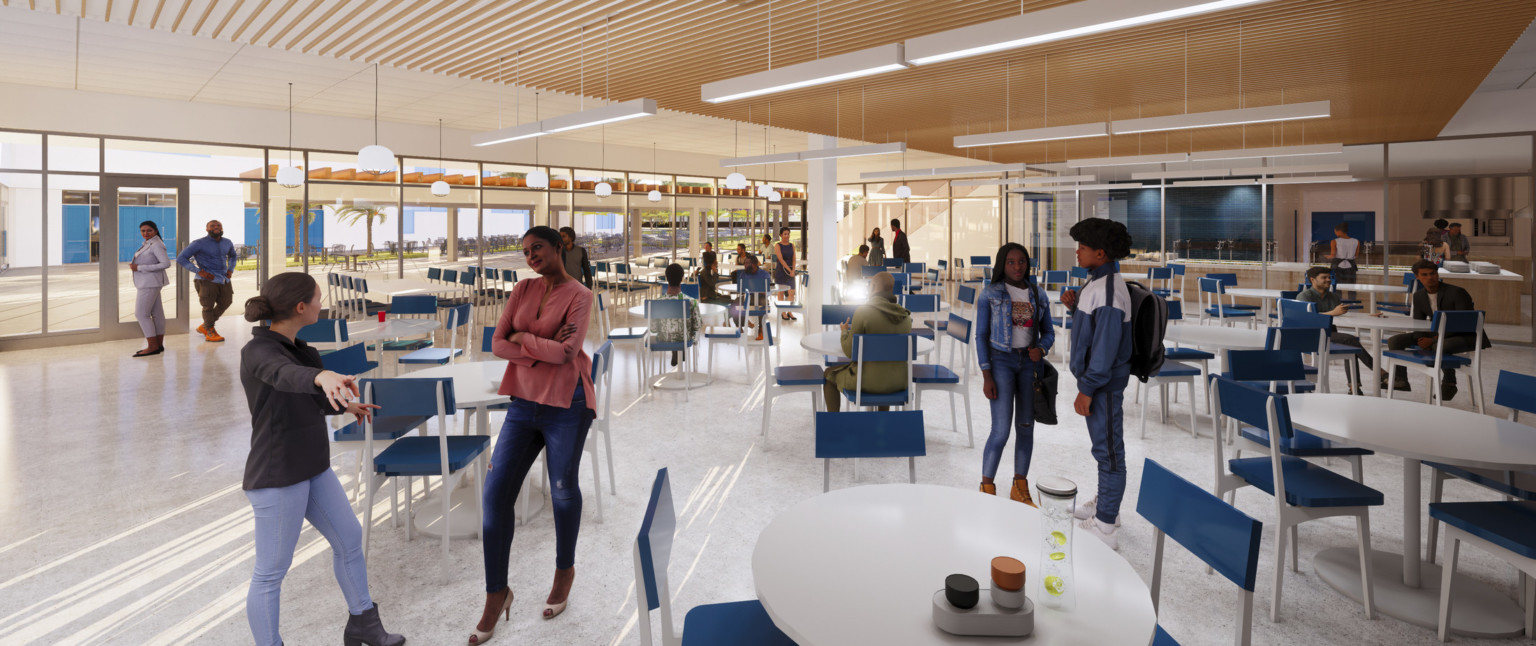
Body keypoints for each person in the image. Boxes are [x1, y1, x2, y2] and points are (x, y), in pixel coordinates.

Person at [238, 272, 403, 646]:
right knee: (271, 572)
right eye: (317, 297)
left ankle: (364, 624)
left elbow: (309, 396)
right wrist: (321, 375)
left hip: (312, 466)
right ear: (301, 307)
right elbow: (284, 376)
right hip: (278, 475)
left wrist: (346, 404)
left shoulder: (301, 349)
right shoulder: (260, 351)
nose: (321, 302)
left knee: (349, 539)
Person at [475, 226, 595, 642]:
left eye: (537, 247)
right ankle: (497, 592)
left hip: (567, 403)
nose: (530, 256)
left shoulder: (581, 295)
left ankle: (564, 570)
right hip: (524, 403)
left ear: (560, 247)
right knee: (494, 495)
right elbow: (496, 343)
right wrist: (535, 340)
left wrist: (521, 338)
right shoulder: (521, 289)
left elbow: (568, 354)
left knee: (562, 488)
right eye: (525, 251)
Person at [1057, 218, 1134, 551]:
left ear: (1100, 253)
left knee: (1109, 453)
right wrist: (1076, 306)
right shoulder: (1098, 283)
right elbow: (1096, 330)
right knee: (1104, 449)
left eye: (1083, 248)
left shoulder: (1106, 291)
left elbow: (1103, 350)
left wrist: (1087, 388)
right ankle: (1107, 506)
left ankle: (1105, 526)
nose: (1077, 252)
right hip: (1099, 383)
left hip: (1102, 385)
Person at [976, 243, 1055, 506]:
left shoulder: (1037, 294)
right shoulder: (990, 294)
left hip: (1029, 366)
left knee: (1025, 427)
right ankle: (987, 488)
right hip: (1001, 363)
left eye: (1021, 261)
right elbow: (981, 336)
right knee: (1000, 430)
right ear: (1002, 264)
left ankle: (1019, 488)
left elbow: (1049, 332)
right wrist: (986, 374)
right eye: (1011, 262)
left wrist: (1041, 349)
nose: (1017, 267)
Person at [1384, 260, 1492, 401]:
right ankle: (1401, 380)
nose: (1430, 277)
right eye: (1425, 275)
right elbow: (1418, 322)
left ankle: (1449, 383)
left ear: (1437, 274)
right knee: (1395, 341)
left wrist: (1433, 339)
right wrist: (1420, 339)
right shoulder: (1419, 296)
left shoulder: (1457, 292)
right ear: (1417, 277)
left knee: (1440, 346)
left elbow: (1464, 324)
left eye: (1433, 273)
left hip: (1466, 335)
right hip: (1438, 334)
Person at [822, 271, 912, 412]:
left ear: (874, 287)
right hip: (898, 382)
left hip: (866, 382)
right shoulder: (906, 317)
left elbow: (849, 351)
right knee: (884, 369)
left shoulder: (863, 312)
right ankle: (881, 422)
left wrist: (844, 331)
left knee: (828, 374)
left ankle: (835, 424)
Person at [1296, 266, 1371, 394]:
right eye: (1324, 277)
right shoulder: (1304, 296)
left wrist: (1367, 315)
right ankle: (1378, 372)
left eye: (1329, 277)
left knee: (1350, 344)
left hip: (1329, 333)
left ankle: (1354, 387)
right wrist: (1332, 313)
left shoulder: (1334, 297)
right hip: (1311, 335)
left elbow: (1340, 315)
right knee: (1350, 339)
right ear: (1312, 280)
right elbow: (1307, 319)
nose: (1328, 280)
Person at [177, 219, 238, 342]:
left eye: (218, 225)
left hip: (224, 279)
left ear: (221, 228)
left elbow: (233, 255)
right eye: (212, 226)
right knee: (208, 307)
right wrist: (199, 271)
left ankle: (205, 326)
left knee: (227, 302)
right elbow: (181, 258)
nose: (216, 227)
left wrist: (230, 269)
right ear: (207, 229)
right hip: (206, 280)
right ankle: (210, 331)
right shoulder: (198, 243)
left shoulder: (227, 242)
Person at [129, 220, 171, 357]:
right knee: (157, 313)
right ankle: (158, 345)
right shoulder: (149, 243)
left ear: (156, 231)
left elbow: (166, 263)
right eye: (143, 231)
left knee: (141, 314)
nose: (145, 233)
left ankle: (152, 346)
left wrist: (139, 267)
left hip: (149, 283)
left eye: (149, 230)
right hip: (149, 282)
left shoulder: (156, 244)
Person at [651, 263, 702, 367]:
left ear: (666, 278)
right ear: (682, 278)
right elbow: (697, 326)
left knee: (672, 330)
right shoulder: (691, 301)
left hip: (663, 339)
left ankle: (676, 351)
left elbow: (653, 329)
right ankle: (679, 349)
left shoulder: (657, 302)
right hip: (685, 339)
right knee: (684, 332)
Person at [734, 253, 773, 341]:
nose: (745, 265)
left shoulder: (764, 274)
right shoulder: (743, 274)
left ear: (754, 264)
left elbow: (768, 291)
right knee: (735, 303)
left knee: (763, 305)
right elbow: (741, 289)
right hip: (748, 297)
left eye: (747, 263)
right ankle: (740, 326)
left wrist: (757, 289)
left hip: (760, 297)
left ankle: (761, 329)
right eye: (745, 263)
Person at [772, 227, 798, 320]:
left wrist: (793, 270)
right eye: (785, 234)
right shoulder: (777, 245)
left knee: (792, 292)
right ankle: (783, 312)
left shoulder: (792, 245)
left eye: (788, 234)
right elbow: (781, 259)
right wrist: (789, 270)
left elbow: (794, 258)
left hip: (791, 271)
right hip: (781, 271)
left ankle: (789, 311)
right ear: (781, 235)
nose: (787, 236)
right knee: (781, 292)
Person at [1326, 222, 1359, 287]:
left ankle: (1337, 297)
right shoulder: (1356, 241)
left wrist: (1326, 257)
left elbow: (1333, 255)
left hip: (1337, 266)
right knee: (1352, 287)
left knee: (1337, 286)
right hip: (1351, 266)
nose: (1335, 233)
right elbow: (1356, 255)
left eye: (1335, 231)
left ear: (1339, 231)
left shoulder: (1334, 241)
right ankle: (1351, 297)